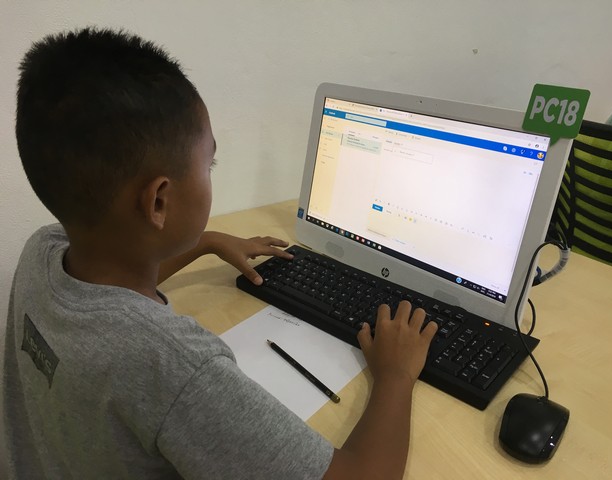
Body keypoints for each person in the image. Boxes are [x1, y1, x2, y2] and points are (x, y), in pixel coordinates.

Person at [2, 27, 438, 479]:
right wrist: (396, 375)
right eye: (209, 164)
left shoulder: (42, 251)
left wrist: (205, 242)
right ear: (159, 202)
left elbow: (114, 274)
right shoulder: (174, 367)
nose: (211, 173)